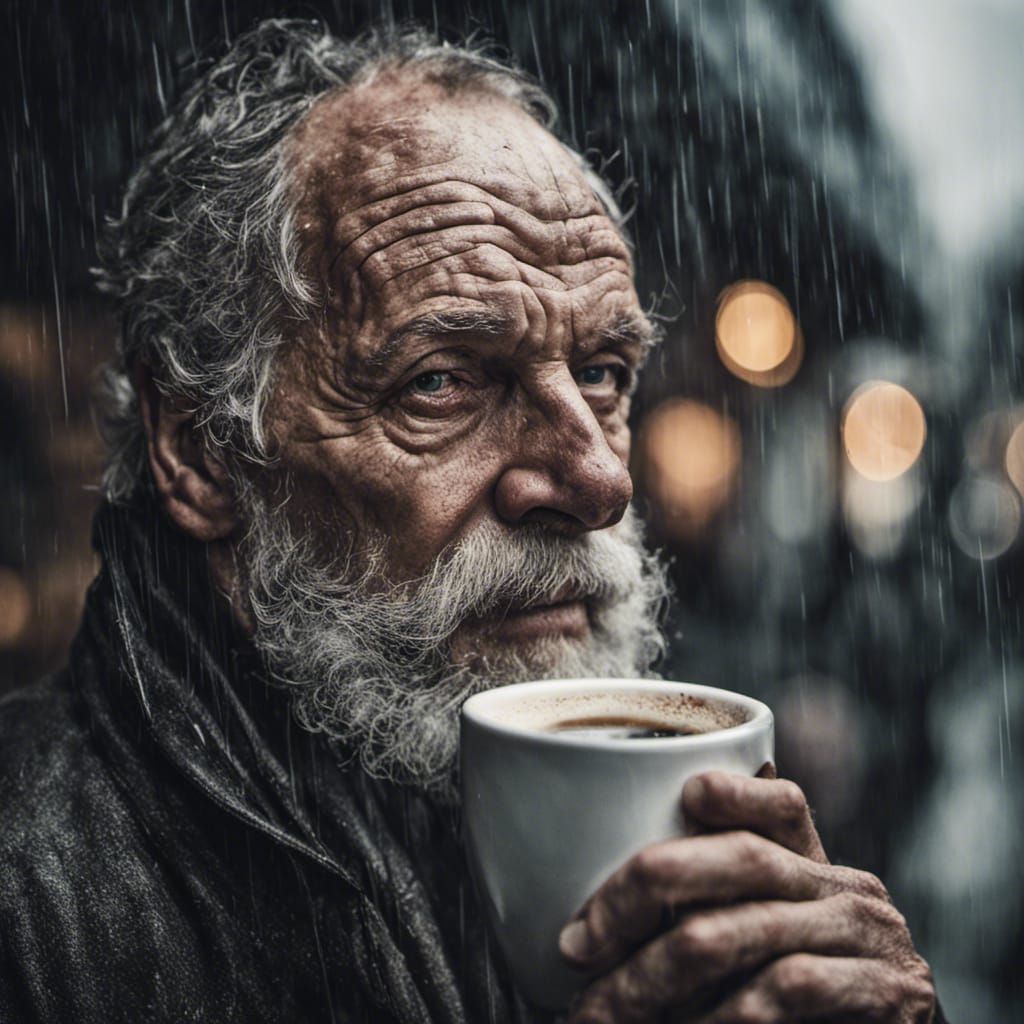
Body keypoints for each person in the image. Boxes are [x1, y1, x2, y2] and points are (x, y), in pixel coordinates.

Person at [0, 19, 942, 1023]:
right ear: (198, 450)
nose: (596, 479)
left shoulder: (602, 818)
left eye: (602, 373)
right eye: (442, 381)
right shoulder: (31, 898)